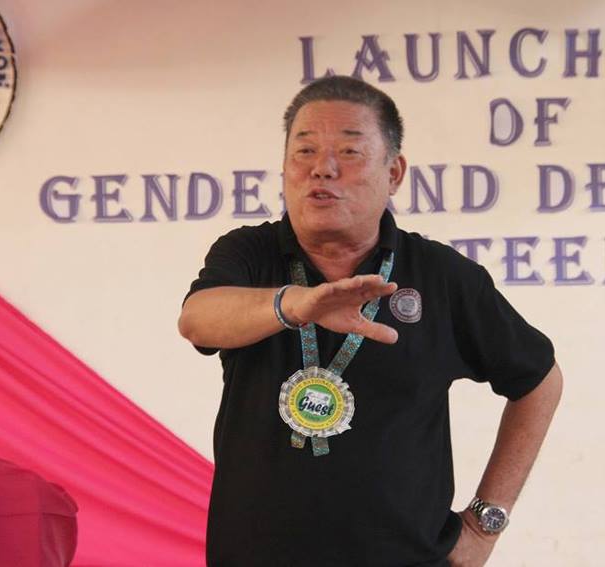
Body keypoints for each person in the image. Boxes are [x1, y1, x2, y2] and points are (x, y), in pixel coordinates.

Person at [179, 76, 563, 567]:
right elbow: (198, 320)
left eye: (350, 152)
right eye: (304, 152)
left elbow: (539, 381)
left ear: (394, 172)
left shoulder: (442, 277)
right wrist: (295, 304)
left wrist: (484, 522)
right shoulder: (249, 254)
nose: (322, 168)